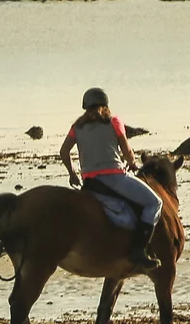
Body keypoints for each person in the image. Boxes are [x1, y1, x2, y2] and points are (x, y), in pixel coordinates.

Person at [59, 86, 163, 271]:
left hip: (90, 182)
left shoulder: (77, 127)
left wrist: (72, 173)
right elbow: (127, 150)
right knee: (154, 203)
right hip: (115, 178)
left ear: (85, 107)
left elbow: (64, 151)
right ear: (105, 105)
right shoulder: (114, 122)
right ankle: (138, 251)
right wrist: (131, 163)